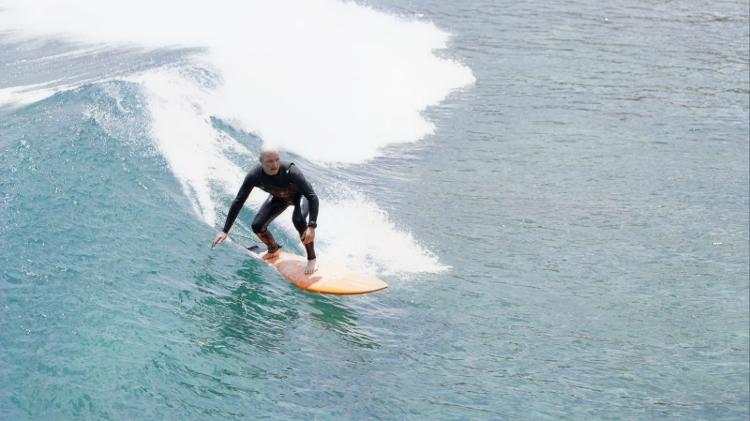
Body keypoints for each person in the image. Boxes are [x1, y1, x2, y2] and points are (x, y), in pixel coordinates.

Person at [211, 149, 319, 274]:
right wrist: (225, 231)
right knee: (257, 225)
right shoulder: (254, 176)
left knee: (298, 220)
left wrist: (312, 226)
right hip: (280, 198)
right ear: (261, 162)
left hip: (301, 196)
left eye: (277, 160)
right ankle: (273, 249)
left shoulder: (291, 171)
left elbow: (312, 197)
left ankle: (312, 258)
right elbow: (239, 200)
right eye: (270, 161)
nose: (275, 164)